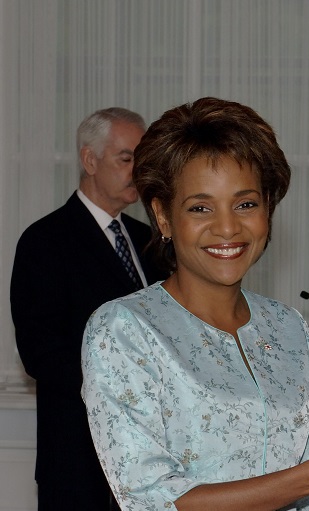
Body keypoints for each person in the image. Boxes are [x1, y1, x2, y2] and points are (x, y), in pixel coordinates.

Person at [80, 97, 309, 511]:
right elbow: (152, 502)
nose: (227, 227)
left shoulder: (287, 327)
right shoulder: (123, 329)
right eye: (200, 208)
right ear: (164, 216)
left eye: (246, 204)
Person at [11, 107, 167, 510]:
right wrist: (121, 383)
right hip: (79, 460)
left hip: (153, 458)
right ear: (89, 160)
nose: (138, 170)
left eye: (143, 160)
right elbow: (40, 352)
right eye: (127, 158)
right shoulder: (45, 241)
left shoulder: (148, 239)